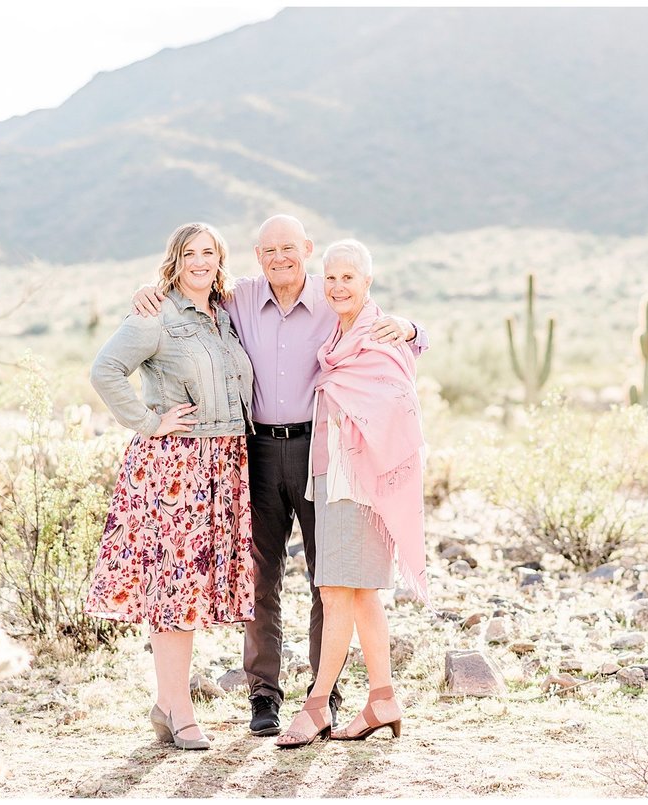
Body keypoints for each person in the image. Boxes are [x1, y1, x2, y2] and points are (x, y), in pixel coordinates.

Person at [132, 214, 427, 737]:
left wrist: (412, 328)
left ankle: (325, 691)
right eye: (268, 250)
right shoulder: (240, 297)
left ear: (307, 249)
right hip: (258, 449)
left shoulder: (333, 293)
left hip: (320, 452)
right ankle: (263, 695)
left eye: (289, 248)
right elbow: (189, 292)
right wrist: (148, 292)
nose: (279, 258)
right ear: (256, 255)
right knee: (260, 578)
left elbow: (391, 331)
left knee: (327, 576)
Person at [87, 222, 255, 751]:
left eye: (209, 252)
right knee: (174, 590)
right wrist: (147, 420)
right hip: (175, 467)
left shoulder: (224, 317)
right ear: (175, 259)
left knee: (192, 591)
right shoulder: (154, 313)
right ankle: (179, 710)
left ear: (220, 259)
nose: (200, 261)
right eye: (189, 253)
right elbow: (106, 370)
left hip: (222, 463)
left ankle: (166, 703)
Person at [275, 238, 427, 748]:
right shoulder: (341, 336)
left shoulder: (379, 337)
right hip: (335, 477)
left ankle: (316, 706)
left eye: (348, 277)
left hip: (361, 483)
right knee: (358, 596)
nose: (338, 286)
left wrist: (410, 330)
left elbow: (398, 405)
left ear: (367, 282)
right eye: (331, 277)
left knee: (336, 592)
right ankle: (382, 700)